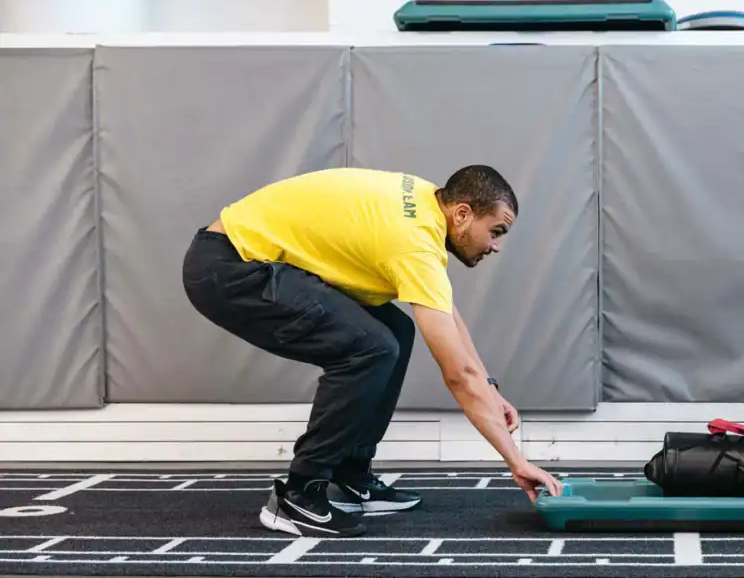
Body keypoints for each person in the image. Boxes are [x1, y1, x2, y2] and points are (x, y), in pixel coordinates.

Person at [181, 166, 563, 537]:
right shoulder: (413, 240)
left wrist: (490, 388)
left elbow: (445, 314)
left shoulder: (426, 208)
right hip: (230, 269)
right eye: (495, 231)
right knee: (369, 348)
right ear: (463, 213)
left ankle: (350, 476)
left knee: (395, 331)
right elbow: (457, 374)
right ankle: (298, 493)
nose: (496, 245)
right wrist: (516, 460)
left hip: (247, 258)